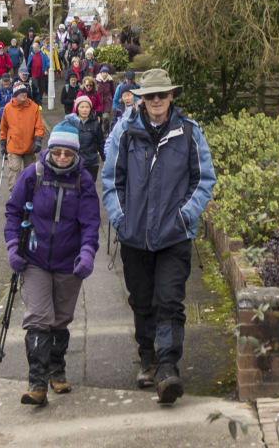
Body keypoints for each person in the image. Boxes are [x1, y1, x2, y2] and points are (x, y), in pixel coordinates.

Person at [101, 68, 216, 404]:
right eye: (149, 95)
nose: (155, 101)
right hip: (134, 235)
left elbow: (203, 180)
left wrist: (184, 217)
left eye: (161, 95)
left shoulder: (189, 132)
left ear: (170, 97)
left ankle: (167, 367)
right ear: (141, 99)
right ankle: (147, 358)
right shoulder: (126, 132)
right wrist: (121, 220)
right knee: (141, 300)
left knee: (169, 301)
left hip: (173, 236)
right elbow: (111, 181)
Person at [4, 121, 100, 406]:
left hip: (68, 262)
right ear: (49, 150)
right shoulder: (33, 175)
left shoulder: (82, 181)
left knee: (60, 320)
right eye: (57, 151)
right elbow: (13, 212)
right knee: (38, 318)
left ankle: (57, 370)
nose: (61, 157)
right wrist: (12, 247)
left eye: (67, 154)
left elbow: (91, 223)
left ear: (76, 154)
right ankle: (37, 383)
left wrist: (87, 253)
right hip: (33, 259)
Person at [0, 81, 45, 192]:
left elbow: (39, 126)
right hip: (13, 146)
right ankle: (14, 193)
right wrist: (2, 142)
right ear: (15, 95)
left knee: (30, 172)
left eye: (25, 92)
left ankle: (30, 192)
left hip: (30, 146)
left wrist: (38, 140)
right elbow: (3, 127)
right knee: (14, 170)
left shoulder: (34, 107)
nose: (24, 94)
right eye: (21, 93)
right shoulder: (8, 108)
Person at [66, 95, 105, 182]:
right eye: (82, 107)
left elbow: (101, 143)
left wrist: (105, 158)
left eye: (87, 107)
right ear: (77, 108)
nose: (84, 109)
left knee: (89, 190)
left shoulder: (96, 124)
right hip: (74, 162)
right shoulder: (71, 124)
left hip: (91, 163)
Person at [96, 65, 115, 136]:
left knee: (106, 117)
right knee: (99, 118)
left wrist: (112, 100)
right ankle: (99, 132)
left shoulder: (110, 81)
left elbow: (113, 92)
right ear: (101, 73)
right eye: (103, 72)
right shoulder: (97, 80)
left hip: (107, 102)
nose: (105, 74)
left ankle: (106, 133)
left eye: (106, 73)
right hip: (99, 102)